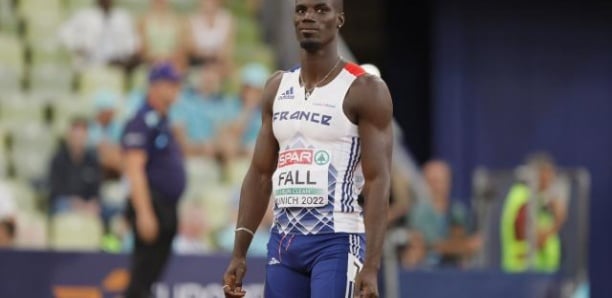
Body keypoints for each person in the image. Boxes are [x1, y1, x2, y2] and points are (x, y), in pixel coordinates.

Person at [222, 0, 393, 297]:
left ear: (339, 19)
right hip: (284, 243)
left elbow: (378, 181)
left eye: (320, 9)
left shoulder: (364, 90)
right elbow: (260, 175)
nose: (308, 17)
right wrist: (239, 252)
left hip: (336, 242)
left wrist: (372, 265)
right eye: (301, 10)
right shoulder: (277, 87)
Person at [121, 62, 185, 298]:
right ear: (155, 86)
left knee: (149, 279)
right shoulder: (142, 120)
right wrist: (144, 212)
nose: (176, 88)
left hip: (166, 207)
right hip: (153, 205)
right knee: (141, 278)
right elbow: (134, 169)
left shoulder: (162, 120)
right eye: (171, 83)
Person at [401, 160, 481, 269]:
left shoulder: (458, 211)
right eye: (432, 181)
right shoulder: (418, 213)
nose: (436, 186)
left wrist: (462, 246)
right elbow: (426, 244)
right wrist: (463, 246)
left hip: (455, 271)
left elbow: (462, 240)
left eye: (440, 181)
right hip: (427, 271)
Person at [500, 152, 568, 273]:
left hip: (540, 276)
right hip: (522, 278)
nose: (551, 179)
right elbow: (532, 242)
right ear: (537, 174)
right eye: (548, 173)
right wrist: (558, 220)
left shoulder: (537, 200)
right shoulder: (522, 199)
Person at [58, 0, 138, 70]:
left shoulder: (122, 17)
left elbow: (131, 43)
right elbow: (63, 33)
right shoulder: (85, 15)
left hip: (117, 65)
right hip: (90, 64)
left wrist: (128, 56)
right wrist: (78, 46)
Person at [47, 117, 102, 216]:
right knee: (61, 205)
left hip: (87, 203)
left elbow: (96, 189)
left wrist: (92, 203)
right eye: (75, 136)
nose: (78, 140)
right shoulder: (58, 160)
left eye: (81, 136)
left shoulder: (92, 160)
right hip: (65, 203)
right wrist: (74, 202)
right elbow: (56, 190)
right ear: (69, 136)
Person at [187, 0, 236, 77]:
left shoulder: (226, 19)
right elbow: (191, 48)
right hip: (198, 61)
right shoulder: (192, 19)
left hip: (218, 62)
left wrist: (213, 55)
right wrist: (207, 54)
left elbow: (227, 49)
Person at [137, 0, 188, 70]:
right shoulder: (143, 21)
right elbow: (142, 50)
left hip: (174, 63)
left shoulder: (179, 20)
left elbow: (182, 48)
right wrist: (156, 60)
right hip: (150, 64)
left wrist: (167, 60)